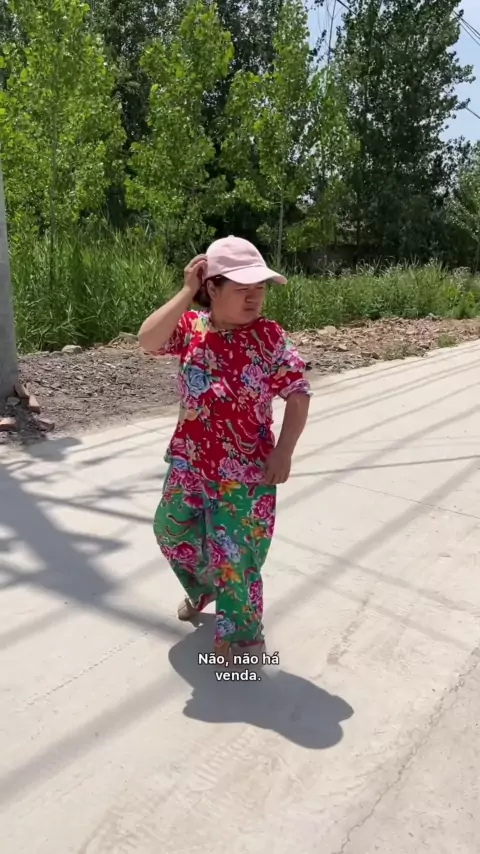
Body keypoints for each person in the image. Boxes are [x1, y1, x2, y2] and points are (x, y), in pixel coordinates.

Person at [139, 236, 311, 663]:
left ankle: (242, 644)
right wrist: (186, 290)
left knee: (237, 557)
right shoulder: (191, 328)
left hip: (246, 472)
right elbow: (148, 340)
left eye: (260, 288)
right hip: (189, 462)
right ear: (212, 288)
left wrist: (284, 451)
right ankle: (204, 587)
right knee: (170, 531)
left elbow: (298, 392)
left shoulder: (269, 337)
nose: (255, 297)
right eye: (242, 288)